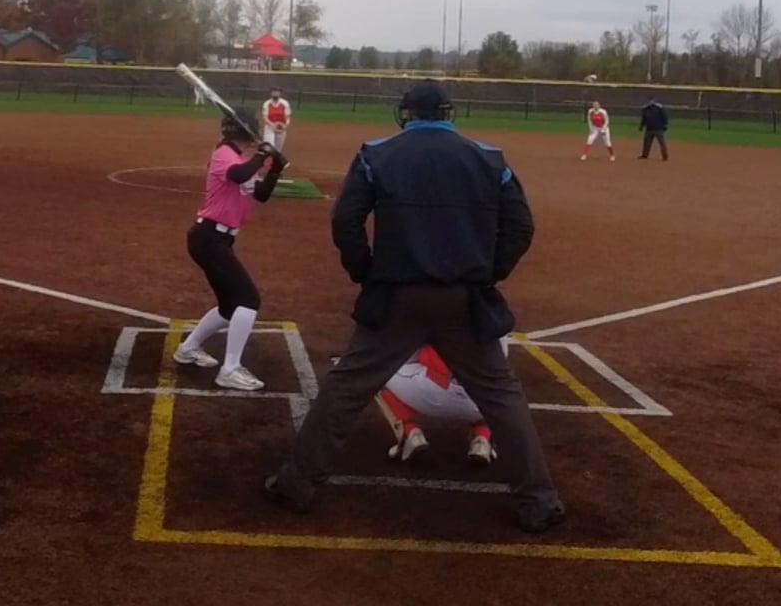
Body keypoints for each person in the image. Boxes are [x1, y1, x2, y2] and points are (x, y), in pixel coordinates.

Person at [263, 80, 565, 534]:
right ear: (448, 112)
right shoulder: (489, 158)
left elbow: (345, 220)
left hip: (396, 296)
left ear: (407, 113)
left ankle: (297, 484)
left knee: (348, 387)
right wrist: (489, 272)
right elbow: (520, 226)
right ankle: (539, 502)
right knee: (501, 396)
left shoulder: (376, 154)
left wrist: (366, 271)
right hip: (465, 298)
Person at [172, 116, 288, 391]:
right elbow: (238, 175)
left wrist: (274, 170)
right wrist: (262, 155)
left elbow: (260, 194)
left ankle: (188, 349)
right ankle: (230, 369)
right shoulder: (224, 153)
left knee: (229, 306)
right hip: (209, 237)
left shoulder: (241, 159)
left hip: (219, 240)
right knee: (248, 299)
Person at [374, 345, 498, 467]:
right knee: (497, 383)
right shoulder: (497, 331)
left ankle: (410, 433)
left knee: (381, 367)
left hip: (437, 393)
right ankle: (482, 439)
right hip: (484, 403)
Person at [260, 88, 292, 152]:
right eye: (273, 92)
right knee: (268, 147)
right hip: (270, 127)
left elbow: (287, 117)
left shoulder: (285, 103)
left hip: (281, 127)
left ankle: (275, 157)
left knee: (278, 149)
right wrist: (273, 124)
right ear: (270, 93)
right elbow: (265, 117)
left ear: (280, 93)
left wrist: (285, 125)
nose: (275, 93)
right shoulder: (267, 103)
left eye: (277, 92)